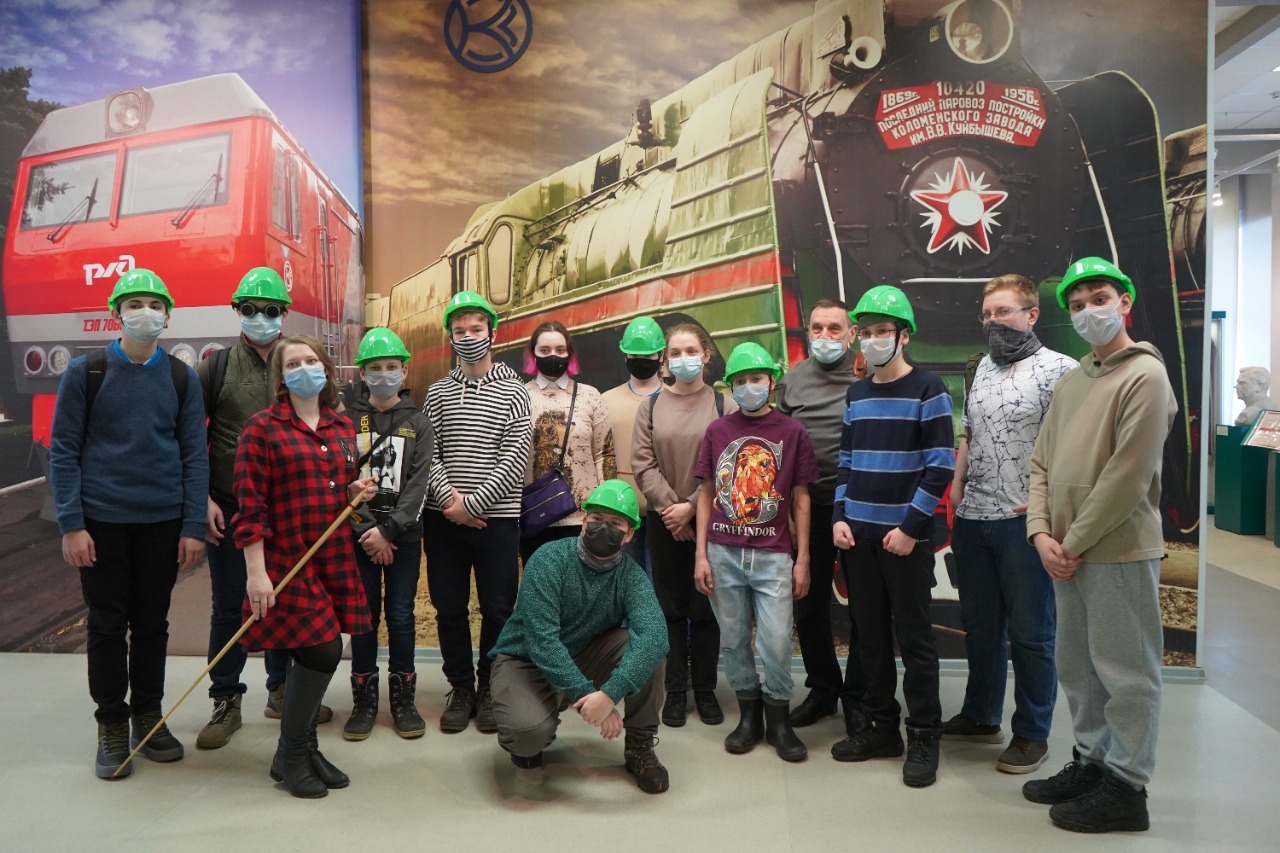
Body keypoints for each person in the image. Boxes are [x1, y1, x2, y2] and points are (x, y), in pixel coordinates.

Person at [1022, 257, 1175, 833]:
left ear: (1124, 302)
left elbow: (1127, 478)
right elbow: (1041, 462)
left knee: (1128, 671)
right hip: (1066, 552)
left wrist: (1073, 541)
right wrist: (1041, 532)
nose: (1089, 311)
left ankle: (1127, 787)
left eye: (1100, 298)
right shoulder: (1074, 381)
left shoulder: (1145, 377)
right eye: (1078, 304)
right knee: (1080, 667)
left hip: (1116, 550)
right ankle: (1092, 762)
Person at [49, 269, 208, 779]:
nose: (146, 313)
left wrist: (192, 526)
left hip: (162, 523)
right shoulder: (86, 372)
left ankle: (148, 716)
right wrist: (72, 524)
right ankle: (112, 724)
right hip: (102, 524)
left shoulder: (182, 378)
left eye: (155, 304)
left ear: (169, 314)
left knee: (153, 625)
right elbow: (64, 452)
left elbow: (194, 455)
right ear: (116, 313)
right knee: (107, 625)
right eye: (135, 304)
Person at [234, 334, 377, 798]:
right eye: (292, 364)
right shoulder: (261, 428)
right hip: (286, 559)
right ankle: (292, 752)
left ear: (326, 369)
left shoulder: (340, 426)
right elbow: (250, 507)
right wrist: (256, 573)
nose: (303, 369)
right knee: (321, 651)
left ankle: (302, 750)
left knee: (319, 649)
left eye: (311, 360)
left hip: (332, 555)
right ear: (280, 376)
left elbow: (337, 489)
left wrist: (354, 493)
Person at [943, 275, 1076, 774]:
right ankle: (981, 715)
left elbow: (1073, 445)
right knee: (980, 627)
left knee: (1031, 633)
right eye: (987, 314)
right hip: (974, 518)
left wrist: (1051, 509)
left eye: (1003, 311)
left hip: (1023, 522)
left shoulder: (1060, 370)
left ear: (1031, 314)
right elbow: (970, 432)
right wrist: (957, 485)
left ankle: (1032, 732)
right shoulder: (979, 368)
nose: (993, 322)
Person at [197, 267, 328, 750]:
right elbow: (190, 437)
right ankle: (225, 700)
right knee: (230, 605)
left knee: (284, 600)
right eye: (250, 309)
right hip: (230, 505)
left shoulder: (298, 363)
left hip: (287, 508)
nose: (261, 317)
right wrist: (202, 499)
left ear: (284, 314)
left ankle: (281, 690)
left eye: (270, 310)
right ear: (238, 311)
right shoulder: (214, 368)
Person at [830, 285, 953, 789]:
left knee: (916, 640)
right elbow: (846, 461)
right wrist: (839, 515)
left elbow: (939, 468)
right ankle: (882, 728)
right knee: (871, 637)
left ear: (904, 336)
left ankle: (923, 734)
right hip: (858, 539)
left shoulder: (928, 388)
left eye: (884, 330)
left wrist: (908, 529)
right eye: (867, 331)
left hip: (904, 542)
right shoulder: (856, 394)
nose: (874, 339)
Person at [489, 480, 670, 794]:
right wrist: (588, 695)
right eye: (597, 518)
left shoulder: (631, 577)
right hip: (525, 661)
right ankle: (535, 725)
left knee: (649, 652)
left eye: (615, 523)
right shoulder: (549, 559)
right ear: (583, 521)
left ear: (629, 534)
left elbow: (655, 635)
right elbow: (542, 641)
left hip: (587, 654)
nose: (604, 527)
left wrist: (609, 694)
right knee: (527, 737)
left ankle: (639, 746)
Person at [694, 342, 819, 762]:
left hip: (772, 555)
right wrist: (700, 554)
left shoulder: (792, 432)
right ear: (731, 386)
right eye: (741, 381)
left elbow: (801, 498)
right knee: (732, 639)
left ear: (772, 381)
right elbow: (706, 492)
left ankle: (779, 717)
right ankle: (749, 716)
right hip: (723, 551)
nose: (749, 387)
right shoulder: (717, 432)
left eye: (757, 379)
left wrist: (803, 558)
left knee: (777, 640)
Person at [423, 292, 532, 734]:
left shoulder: (515, 392)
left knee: (498, 609)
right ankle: (461, 688)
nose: (468, 337)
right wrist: (451, 502)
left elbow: (515, 457)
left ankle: (489, 687)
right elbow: (427, 454)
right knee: (449, 608)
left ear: (493, 332)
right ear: (450, 336)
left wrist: (471, 505)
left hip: (497, 520)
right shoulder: (437, 393)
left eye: (476, 329)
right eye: (460, 330)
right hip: (443, 520)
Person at [632, 323, 735, 727]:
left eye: (691, 351)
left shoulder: (724, 406)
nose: (683, 359)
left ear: (706, 355)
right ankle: (675, 689)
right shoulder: (651, 406)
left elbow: (729, 465)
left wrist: (691, 508)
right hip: (664, 521)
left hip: (712, 520)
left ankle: (705, 689)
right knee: (670, 608)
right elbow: (643, 465)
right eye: (674, 353)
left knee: (706, 607)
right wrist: (672, 511)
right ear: (665, 359)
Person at [775, 299, 868, 734]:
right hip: (808, 505)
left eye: (835, 328)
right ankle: (823, 690)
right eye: (817, 328)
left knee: (865, 604)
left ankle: (860, 695)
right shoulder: (791, 381)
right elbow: (779, 448)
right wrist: (787, 515)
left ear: (851, 333)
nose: (825, 336)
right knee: (808, 602)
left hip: (860, 505)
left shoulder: (868, 371)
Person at [343, 328, 433, 741]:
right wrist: (369, 531)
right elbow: (343, 478)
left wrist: (390, 530)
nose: (384, 374)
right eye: (375, 368)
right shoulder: (348, 420)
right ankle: (363, 701)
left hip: (404, 538)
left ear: (404, 370)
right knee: (363, 617)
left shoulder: (419, 423)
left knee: (400, 615)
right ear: (362, 374)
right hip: (360, 538)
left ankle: (403, 700)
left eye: (391, 367)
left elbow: (418, 484)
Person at [520, 320, 617, 562]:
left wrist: (604, 509)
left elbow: (604, 454)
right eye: (545, 350)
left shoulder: (590, 396)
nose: (553, 356)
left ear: (569, 354)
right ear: (533, 353)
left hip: (583, 518)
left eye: (560, 350)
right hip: (535, 516)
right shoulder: (519, 397)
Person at [600, 316, 665, 572]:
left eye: (647, 356)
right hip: (620, 512)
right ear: (625, 356)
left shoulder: (675, 400)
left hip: (665, 513)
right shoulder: (605, 401)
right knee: (625, 583)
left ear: (661, 356)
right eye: (635, 356)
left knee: (659, 584)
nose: (641, 362)